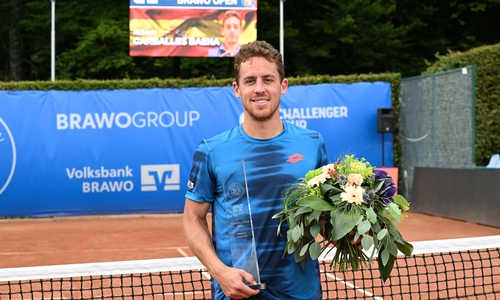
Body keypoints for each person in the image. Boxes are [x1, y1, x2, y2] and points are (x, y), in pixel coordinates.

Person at [183, 40, 329, 299]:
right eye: (250, 81)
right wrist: (220, 272)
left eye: (268, 79)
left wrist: (347, 230)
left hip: (300, 292)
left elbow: (323, 215)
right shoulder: (211, 151)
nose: (259, 89)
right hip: (237, 292)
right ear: (237, 89)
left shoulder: (312, 144)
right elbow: (193, 218)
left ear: (283, 86)